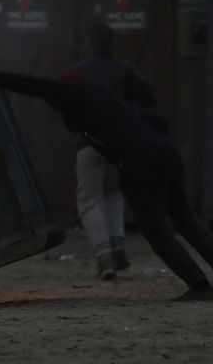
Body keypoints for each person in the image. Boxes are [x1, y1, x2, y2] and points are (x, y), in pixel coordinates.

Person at [0, 70, 213, 301]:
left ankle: (200, 286)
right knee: (187, 222)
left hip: (140, 163)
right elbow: (158, 122)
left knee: (158, 232)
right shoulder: (108, 101)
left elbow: (35, 85)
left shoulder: (76, 93)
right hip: (166, 155)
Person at [63, 21, 156, 280]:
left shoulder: (76, 72)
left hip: (88, 143)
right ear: (112, 43)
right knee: (114, 193)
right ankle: (118, 246)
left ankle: (104, 257)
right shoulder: (125, 70)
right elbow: (148, 99)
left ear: (89, 44)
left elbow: (64, 108)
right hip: (120, 145)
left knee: (89, 199)